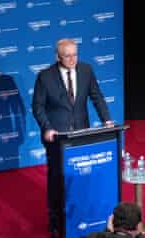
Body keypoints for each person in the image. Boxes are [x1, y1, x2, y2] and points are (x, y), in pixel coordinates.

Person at [32, 39, 114, 236]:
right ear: (57, 56)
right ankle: (54, 221)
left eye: (75, 54)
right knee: (56, 179)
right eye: (67, 56)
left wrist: (107, 120)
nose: (72, 59)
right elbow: (38, 106)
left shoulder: (86, 70)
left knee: (81, 176)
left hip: (80, 135)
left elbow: (96, 96)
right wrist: (47, 128)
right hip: (57, 138)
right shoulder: (45, 76)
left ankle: (81, 216)